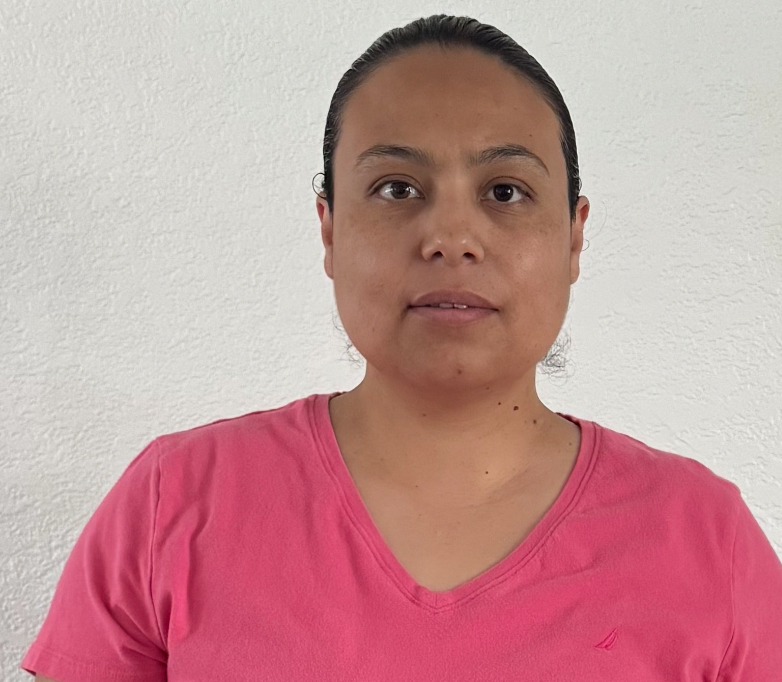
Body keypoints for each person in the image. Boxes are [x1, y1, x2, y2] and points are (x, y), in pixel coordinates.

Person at [21, 14, 782, 682]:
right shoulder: (174, 503)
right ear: (328, 230)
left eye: (505, 191)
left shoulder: (706, 540)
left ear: (574, 237)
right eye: (397, 189)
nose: (451, 238)